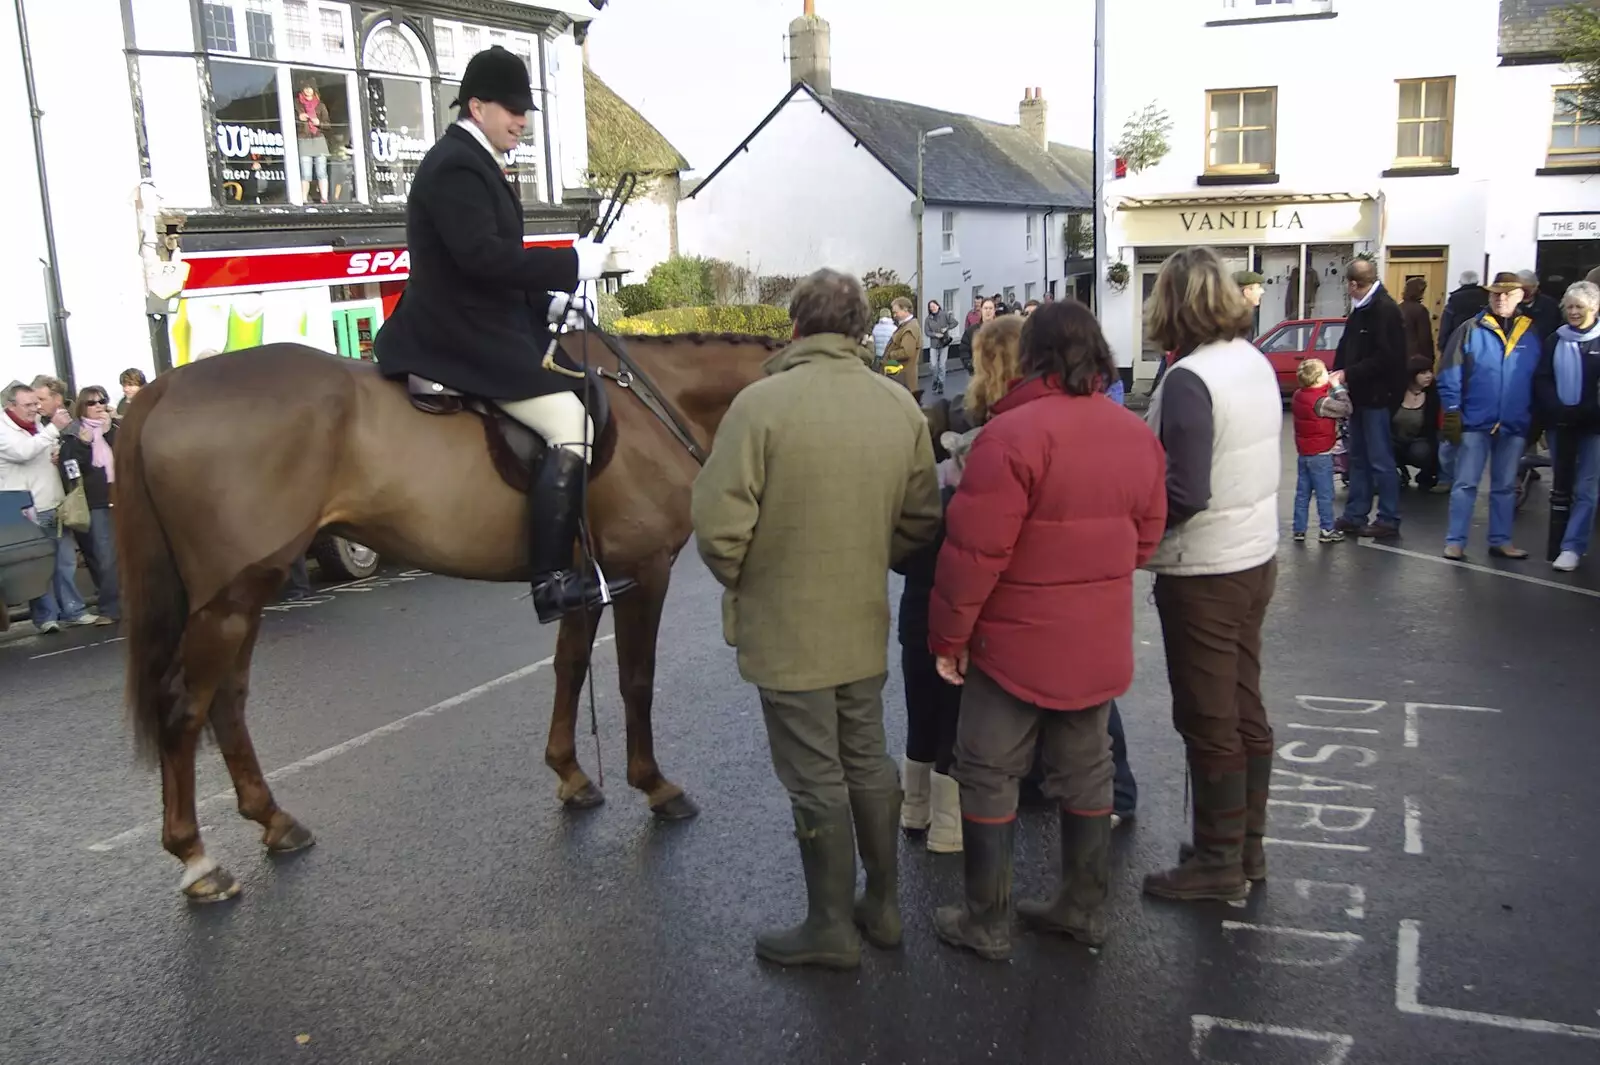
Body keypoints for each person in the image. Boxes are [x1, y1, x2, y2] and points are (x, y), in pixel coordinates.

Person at [690, 268, 941, 970]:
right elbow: (920, 519)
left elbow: (717, 526)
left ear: (795, 326)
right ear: (862, 330)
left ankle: (831, 923)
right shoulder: (897, 406)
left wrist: (752, 577)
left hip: (785, 629)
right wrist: (866, 558)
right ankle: (883, 905)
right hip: (861, 619)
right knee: (866, 753)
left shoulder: (760, 405)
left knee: (813, 773)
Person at [928, 300, 1166, 960]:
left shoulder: (1011, 436)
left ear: (1032, 355)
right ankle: (1081, 908)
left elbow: (973, 556)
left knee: (988, 770)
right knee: (1088, 771)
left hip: (1012, 644)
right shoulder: (1133, 433)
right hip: (1095, 640)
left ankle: (988, 919)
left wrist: (949, 638)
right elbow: (1144, 539)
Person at [372, 45, 622, 624]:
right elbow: (483, 260)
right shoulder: (457, 164)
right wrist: (570, 264)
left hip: (483, 318)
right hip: (459, 332)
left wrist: (549, 297)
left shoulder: (474, 160)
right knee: (569, 421)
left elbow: (497, 262)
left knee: (582, 386)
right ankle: (552, 579)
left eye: (526, 110)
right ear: (476, 106)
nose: (522, 120)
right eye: (511, 109)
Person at [1142, 246, 1282, 903]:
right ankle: (1242, 846)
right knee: (1243, 700)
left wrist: (1133, 537)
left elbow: (1185, 491)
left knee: (1208, 713)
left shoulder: (1190, 379)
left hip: (1205, 568)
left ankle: (1219, 859)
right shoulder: (1249, 360)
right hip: (1255, 554)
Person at [1437, 272, 1544, 561]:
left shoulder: (1532, 332)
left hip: (1514, 421)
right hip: (1475, 419)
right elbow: (1449, 374)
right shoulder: (1469, 329)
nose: (1501, 298)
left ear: (1521, 296)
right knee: (1465, 484)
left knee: (1505, 486)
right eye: (1496, 294)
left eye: (1508, 294)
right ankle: (1456, 541)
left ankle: (1501, 539)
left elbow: (1539, 379)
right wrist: (1451, 411)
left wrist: (1537, 419)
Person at [0, 383, 101, 631]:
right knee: (39, 566)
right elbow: (22, 452)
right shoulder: (4, 430)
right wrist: (52, 430)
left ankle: (73, 610)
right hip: (29, 508)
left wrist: (54, 451)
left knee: (64, 561)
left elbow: (40, 451)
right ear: (10, 406)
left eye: (36, 403)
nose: (35, 409)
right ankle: (46, 618)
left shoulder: (36, 426)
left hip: (53, 503)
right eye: (29, 405)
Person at [1332, 259, 1407, 539]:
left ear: (1354, 284)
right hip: (1361, 396)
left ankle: (1388, 517)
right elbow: (1347, 346)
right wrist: (1339, 372)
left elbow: (1387, 358)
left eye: (1349, 285)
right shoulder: (1362, 310)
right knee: (1358, 458)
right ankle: (1355, 514)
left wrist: (1347, 373)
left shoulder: (1384, 311)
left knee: (1380, 459)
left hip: (1377, 397)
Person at [1532, 281, 1600, 571]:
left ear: (1594, 309)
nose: (1573, 312)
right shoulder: (1554, 340)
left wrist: (1588, 409)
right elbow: (1543, 377)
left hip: (1594, 426)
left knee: (1587, 487)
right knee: (1563, 485)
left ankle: (1572, 546)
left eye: (1580, 307)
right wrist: (1557, 408)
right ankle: (1563, 540)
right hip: (1561, 423)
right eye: (1569, 307)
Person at [57, 387, 120, 624]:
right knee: (104, 558)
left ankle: (127, 603)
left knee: (124, 554)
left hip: (121, 499)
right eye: (93, 403)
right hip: (95, 503)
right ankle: (110, 608)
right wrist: (85, 446)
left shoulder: (114, 431)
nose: (99, 406)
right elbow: (71, 472)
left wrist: (108, 434)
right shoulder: (73, 437)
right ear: (83, 406)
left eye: (103, 401)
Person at [1290, 358, 1351, 544]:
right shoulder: (1321, 402)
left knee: (1302, 493)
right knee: (1325, 494)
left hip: (1304, 452)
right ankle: (1327, 529)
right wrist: (1338, 388)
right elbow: (1346, 409)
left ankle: (1299, 529)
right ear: (1318, 378)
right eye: (1325, 371)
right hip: (1321, 454)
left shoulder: (1298, 395)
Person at [1393, 356, 1442, 491]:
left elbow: (1433, 429)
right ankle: (1398, 474)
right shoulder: (1398, 393)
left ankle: (1425, 475)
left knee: (1421, 451)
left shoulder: (1432, 396)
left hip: (1420, 440)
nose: (1428, 376)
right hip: (1396, 439)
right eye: (1423, 373)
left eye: (1430, 372)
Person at [296, 83, 333, 204]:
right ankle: (304, 199)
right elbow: (286, 122)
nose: (307, 90)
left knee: (321, 171)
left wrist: (319, 123)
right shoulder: (297, 104)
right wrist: (298, 118)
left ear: (314, 90)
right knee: (306, 172)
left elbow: (328, 125)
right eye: (305, 88)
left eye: (310, 88)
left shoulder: (320, 105)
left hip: (318, 140)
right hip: (304, 140)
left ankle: (324, 198)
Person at [1437, 270, 1488, 354]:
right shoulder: (1487, 297)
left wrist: (1442, 345)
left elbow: (1446, 324)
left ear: (1460, 282)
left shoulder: (1454, 298)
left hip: (1458, 342)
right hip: (1483, 342)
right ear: (1477, 282)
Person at [882, 297, 923, 392]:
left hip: (903, 377)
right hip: (900, 375)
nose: (894, 315)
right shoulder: (906, 325)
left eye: (896, 312)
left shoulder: (910, 328)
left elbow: (907, 352)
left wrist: (891, 354)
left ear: (905, 310)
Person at [1517, 269, 1563, 342]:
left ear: (1536, 286)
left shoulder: (1550, 305)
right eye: (1520, 289)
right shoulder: (1510, 305)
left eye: (1527, 289)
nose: (1523, 293)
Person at [924, 299, 957, 395]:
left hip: (944, 343)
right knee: (933, 365)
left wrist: (947, 328)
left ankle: (941, 383)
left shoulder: (945, 314)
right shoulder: (928, 319)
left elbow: (955, 323)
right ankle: (935, 380)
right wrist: (935, 334)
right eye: (931, 307)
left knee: (942, 365)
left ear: (938, 306)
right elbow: (927, 332)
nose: (933, 308)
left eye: (934, 306)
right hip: (934, 344)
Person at [1399, 277, 1436, 361]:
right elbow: (1424, 338)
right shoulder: (1420, 310)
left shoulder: (1398, 308)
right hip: (1416, 358)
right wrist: (1430, 358)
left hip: (1399, 356)